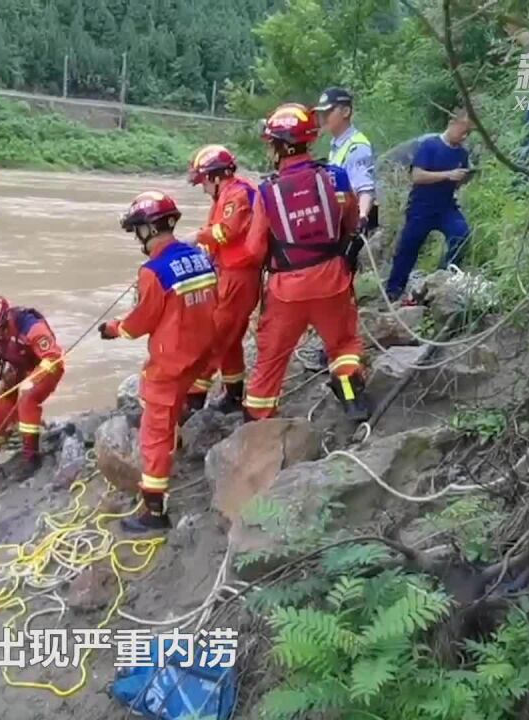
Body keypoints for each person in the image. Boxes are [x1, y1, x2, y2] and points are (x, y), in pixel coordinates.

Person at [240, 102, 372, 423]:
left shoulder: (268, 192)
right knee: (343, 345)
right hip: (333, 281)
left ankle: (259, 417)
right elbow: (352, 222)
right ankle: (352, 400)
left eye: (272, 144)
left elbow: (254, 251)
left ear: (281, 147)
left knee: (271, 358)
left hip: (287, 290)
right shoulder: (335, 177)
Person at [99, 191, 217, 533]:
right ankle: (175, 441)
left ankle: (154, 510)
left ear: (148, 229)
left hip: (171, 362)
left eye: (137, 229)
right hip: (201, 354)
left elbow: (140, 323)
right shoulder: (199, 257)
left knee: (154, 433)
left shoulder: (153, 271)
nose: (137, 236)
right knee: (174, 407)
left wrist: (115, 328)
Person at [184, 144, 260, 415]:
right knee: (230, 340)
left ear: (216, 177)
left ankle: (192, 401)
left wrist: (197, 237)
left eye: (203, 181)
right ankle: (233, 395)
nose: (202, 188)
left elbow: (226, 232)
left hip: (239, 278)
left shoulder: (236, 195)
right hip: (229, 274)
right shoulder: (225, 196)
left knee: (213, 339)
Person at [0, 293, 64, 482]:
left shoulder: (30, 326)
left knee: (27, 399)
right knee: (0, 408)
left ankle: (31, 456)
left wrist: (34, 379)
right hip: (18, 367)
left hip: (46, 367)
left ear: (1, 324)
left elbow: (53, 356)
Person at [384, 108, 475, 303]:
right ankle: (394, 289)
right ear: (452, 124)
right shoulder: (429, 145)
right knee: (408, 248)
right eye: (463, 130)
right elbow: (417, 176)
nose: (464, 136)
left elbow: (457, 181)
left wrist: (462, 178)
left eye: (468, 133)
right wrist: (448, 174)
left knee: (461, 234)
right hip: (421, 206)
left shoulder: (462, 153)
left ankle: (441, 280)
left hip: (446, 206)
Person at [316, 87, 379, 234]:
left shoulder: (357, 146)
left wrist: (362, 216)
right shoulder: (337, 143)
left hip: (352, 223)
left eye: (329, 112)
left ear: (345, 112)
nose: (323, 117)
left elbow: (365, 187)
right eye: (321, 113)